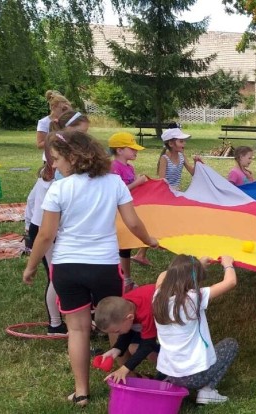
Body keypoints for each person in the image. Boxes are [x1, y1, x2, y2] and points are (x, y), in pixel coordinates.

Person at [20, 130, 158, 407]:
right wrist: (149, 240)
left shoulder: (59, 189)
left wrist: (31, 266)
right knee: (114, 322)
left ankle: (81, 392)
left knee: (78, 330)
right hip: (105, 267)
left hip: (68, 269)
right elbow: (132, 222)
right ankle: (126, 375)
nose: (54, 166)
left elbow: (45, 235)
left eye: (57, 159)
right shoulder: (115, 183)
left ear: (73, 157)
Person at [153, 255, 239, 404]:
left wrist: (194, 265)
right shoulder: (193, 298)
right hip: (195, 375)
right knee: (231, 344)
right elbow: (231, 281)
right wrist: (228, 264)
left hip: (171, 374)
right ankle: (207, 391)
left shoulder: (158, 296)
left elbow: (162, 275)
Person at [24, 160, 64, 335]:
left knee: (58, 275)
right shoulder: (55, 182)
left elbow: (31, 200)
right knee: (56, 277)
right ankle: (55, 325)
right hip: (46, 230)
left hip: (42, 227)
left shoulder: (46, 178)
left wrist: (27, 224)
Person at [94, 284, 160, 383]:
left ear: (130, 318)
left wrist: (125, 368)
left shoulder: (146, 312)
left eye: (117, 331)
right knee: (134, 348)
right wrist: (116, 349)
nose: (117, 334)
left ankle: (173, 373)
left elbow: (148, 344)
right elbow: (129, 329)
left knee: (147, 351)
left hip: (178, 327)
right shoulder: (124, 307)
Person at [109, 132, 150, 289]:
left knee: (127, 245)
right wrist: (137, 183)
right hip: (118, 214)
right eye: (132, 149)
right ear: (119, 150)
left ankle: (126, 278)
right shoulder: (114, 167)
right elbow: (117, 191)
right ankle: (125, 280)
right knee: (123, 246)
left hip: (129, 210)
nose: (135, 152)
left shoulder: (129, 167)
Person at [36, 90, 71, 154]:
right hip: (51, 160)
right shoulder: (44, 122)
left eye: (67, 109)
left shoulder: (70, 121)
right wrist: (56, 139)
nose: (66, 112)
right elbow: (39, 145)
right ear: (53, 107)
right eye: (63, 109)